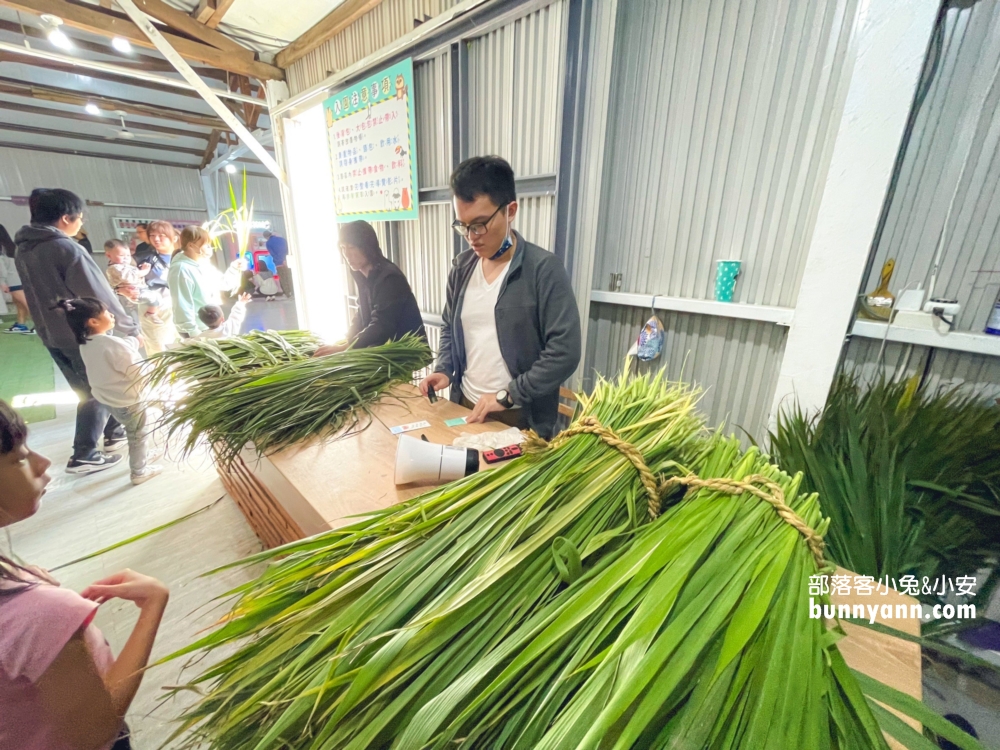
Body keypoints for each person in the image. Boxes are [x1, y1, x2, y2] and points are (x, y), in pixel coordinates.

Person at [0, 399, 168, 749]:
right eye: (18, 457)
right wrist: (152, 607)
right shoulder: (38, 616)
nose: (43, 462)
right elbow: (97, 730)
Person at [418, 156, 581, 439]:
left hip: (519, 418)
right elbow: (448, 327)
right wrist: (445, 368)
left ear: (510, 210)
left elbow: (565, 352)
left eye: (480, 224)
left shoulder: (543, 270)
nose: (472, 236)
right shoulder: (462, 268)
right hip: (466, 408)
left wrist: (508, 396)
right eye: (463, 225)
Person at [14, 188, 134, 474]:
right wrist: (128, 326)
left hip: (51, 332)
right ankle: (84, 454)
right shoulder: (65, 247)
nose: (81, 224)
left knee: (92, 386)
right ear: (66, 218)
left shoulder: (24, 247)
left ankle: (115, 431)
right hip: (80, 334)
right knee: (97, 390)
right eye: (79, 218)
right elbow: (96, 294)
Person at [54, 298, 162, 485]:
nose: (111, 315)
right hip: (128, 400)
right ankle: (139, 471)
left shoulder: (86, 342)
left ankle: (141, 456)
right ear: (93, 321)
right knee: (138, 434)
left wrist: (131, 342)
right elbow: (135, 370)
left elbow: (115, 350)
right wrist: (156, 373)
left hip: (108, 398)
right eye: (107, 313)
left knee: (133, 431)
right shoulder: (112, 345)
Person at [314, 221, 425, 357]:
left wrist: (348, 347)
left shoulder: (389, 278)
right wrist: (348, 340)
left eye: (352, 247)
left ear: (367, 247)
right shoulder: (361, 273)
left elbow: (382, 324)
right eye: (343, 248)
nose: (347, 254)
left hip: (401, 352)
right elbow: (362, 311)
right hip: (381, 348)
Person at [168, 226, 242, 338]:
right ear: (191, 246)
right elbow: (182, 304)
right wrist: (193, 334)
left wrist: (234, 268)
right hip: (197, 329)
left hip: (210, 324)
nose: (210, 249)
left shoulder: (203, 263)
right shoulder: (181, 270)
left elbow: (223, 284)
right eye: (207, 245)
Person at [133, 221, 176, 354]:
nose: (156, 239)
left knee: (182, 346)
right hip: (155, 311)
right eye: (152, 235)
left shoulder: (183, 256)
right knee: (159, 349)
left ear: (173, 238)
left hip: (180, 308)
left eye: (161, 235)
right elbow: (121, 276)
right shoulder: (143, 258)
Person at [103, 240, 163, 326]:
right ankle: (151, 314)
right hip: (133, 293)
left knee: (157, 297)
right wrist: (144, 271)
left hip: (140, 290)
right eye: (121, 255)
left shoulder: (126, 266)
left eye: (128, 255)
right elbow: (130, 278)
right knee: (153, 297)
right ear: (109, 255)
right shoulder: (114, 268)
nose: (126, 258)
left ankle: (152, 313)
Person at [1, 224, 33, 334]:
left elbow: (2, 269)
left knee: (25, 303)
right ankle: (21, 324)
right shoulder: (12, 247)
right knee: (19, 303)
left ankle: (41, 326)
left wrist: (2, 282)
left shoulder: (2, 251)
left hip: (12, 280)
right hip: (19, 278)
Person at [263, 230, 291, 297]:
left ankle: (288, 294)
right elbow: (287, 249)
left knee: (283, 278)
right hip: (288, 261)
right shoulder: (282, 239)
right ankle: (293, 292)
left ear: (266, 237)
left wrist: (281, 261)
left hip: (279, 263)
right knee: (289, 277)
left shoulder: (268, 243)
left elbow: (273, 254)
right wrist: (285, 260)